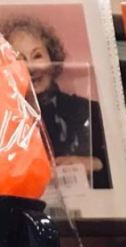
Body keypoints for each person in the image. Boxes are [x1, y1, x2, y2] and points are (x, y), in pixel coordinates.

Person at [1, 15, 112, 189]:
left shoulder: (89, 110)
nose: (31, 67)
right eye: (19, 59)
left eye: (37, 56)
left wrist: (93, 164)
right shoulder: (4, 120)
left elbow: (117, 172)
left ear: (52, 59)